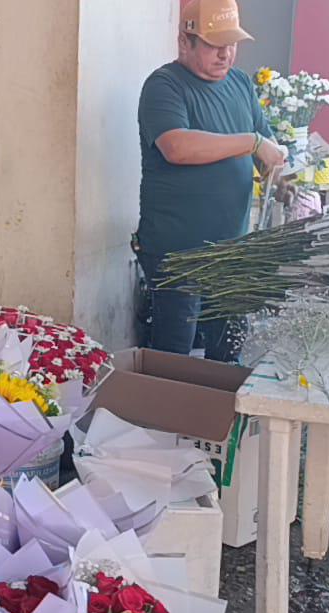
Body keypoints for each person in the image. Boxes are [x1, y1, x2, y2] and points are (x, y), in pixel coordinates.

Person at [136, 0, 287, 361]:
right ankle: (167, 400)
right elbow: (177, 147)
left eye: (231, 44)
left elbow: (266, 146)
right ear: (184, 42)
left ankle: (218, 399)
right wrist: (252, 142)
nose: (225, 55)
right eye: (214, 45)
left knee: (228, 345)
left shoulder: (240, 84)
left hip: (231, 246)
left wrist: (277, 171)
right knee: (176, 347)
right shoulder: (164, 85)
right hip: (177, 248)